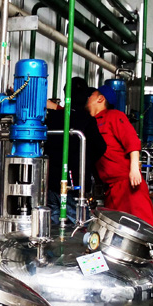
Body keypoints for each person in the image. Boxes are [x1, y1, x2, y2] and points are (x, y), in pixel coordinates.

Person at [86, 84, 153, 288]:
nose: (88, 98)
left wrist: (134, 169)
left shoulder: (115, 116)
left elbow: (131, 140)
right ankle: (110, 275)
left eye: (91, 95)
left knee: (147, 229)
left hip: (128, 184)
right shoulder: (92, 122)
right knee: (110, 231)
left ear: (101, 99)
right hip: (112, 189)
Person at [45, 77, 107, 224]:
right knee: (79, 225)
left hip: (50, 182)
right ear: (86, 97)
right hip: (74, 185)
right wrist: (86, 160)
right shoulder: (87, 120)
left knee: (52, 225)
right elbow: (101, 147)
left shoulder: (52, 117)